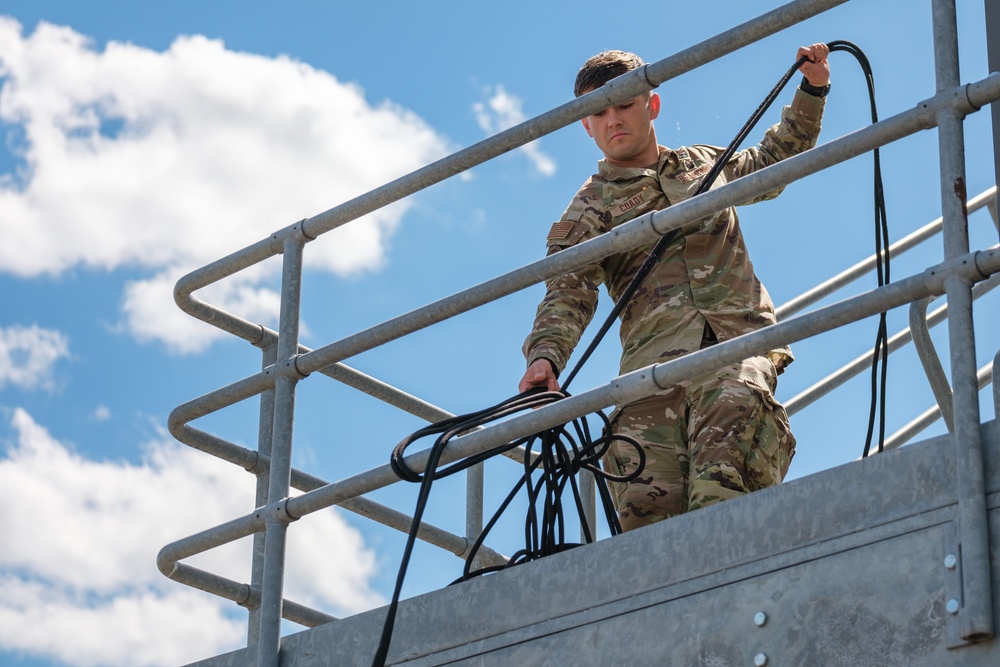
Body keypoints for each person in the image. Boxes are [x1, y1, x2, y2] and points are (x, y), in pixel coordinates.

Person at [518, 44, 831, 531]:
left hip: (734, 346)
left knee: (724, 490)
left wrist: (812, 88)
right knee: (650, 532)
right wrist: (545, 358)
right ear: (585, 125)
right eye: (597, 112)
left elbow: (774, 160)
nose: (612, 119)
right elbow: (568, 290)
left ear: (652, 105)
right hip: (650, 376)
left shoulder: (704, 163)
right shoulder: (589, 209)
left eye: (623, 103)